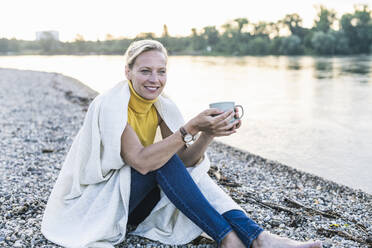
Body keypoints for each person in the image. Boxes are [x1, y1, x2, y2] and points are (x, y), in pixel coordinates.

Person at [41, 39, 322, 248]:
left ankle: (258, 237)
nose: (155, 80)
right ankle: (231, 238)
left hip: (134, 199)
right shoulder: (111, 105)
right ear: (127, 71)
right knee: (161, 160)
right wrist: (190, 127)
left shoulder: (161, 106)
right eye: (145, 71)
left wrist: (209, 132)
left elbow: (187, 161)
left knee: (173, 162)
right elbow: (140, 161)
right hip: (101, 203)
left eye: (161, 71)